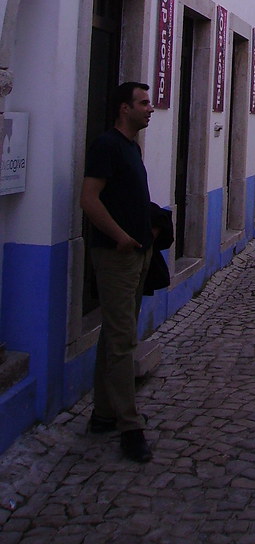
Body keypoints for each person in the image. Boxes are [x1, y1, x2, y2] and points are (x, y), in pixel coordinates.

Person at [80, 81, 156, 464]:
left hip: (136, 254)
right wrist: (121, 238)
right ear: (123, 108)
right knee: (123, 341)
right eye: (143, 102)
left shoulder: (131, 147)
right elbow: (89, 199)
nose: (150, 108)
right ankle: (130, 426)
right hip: (115, 255)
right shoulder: (107, 146)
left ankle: (103, 414)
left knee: (114, 335)